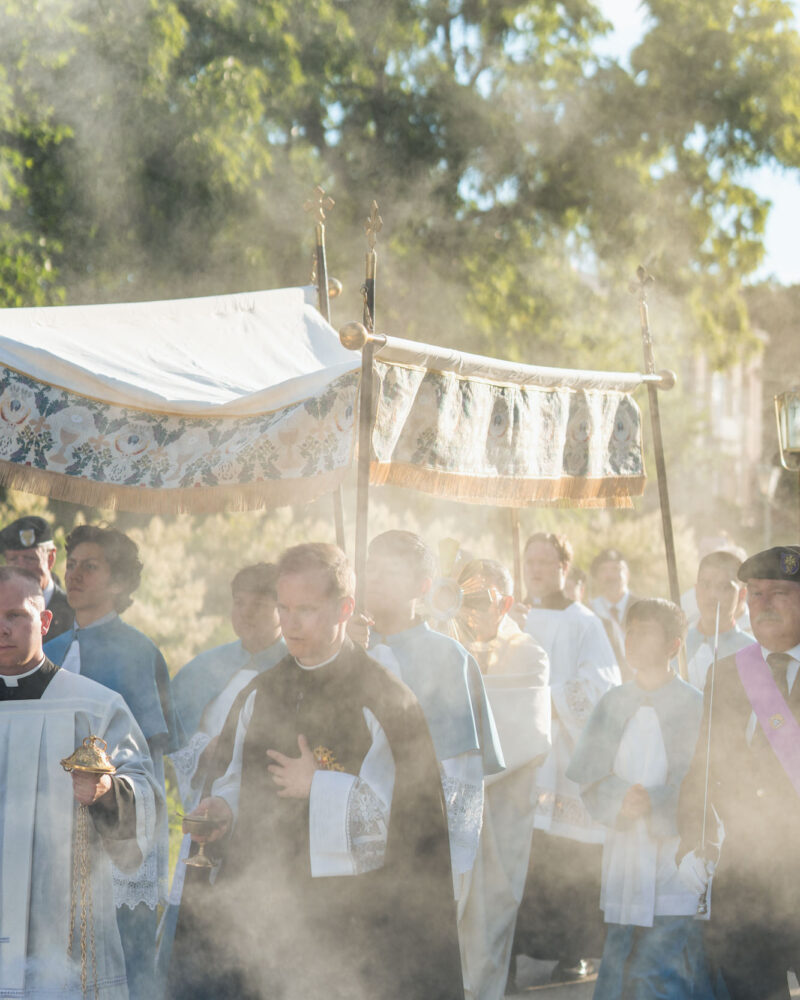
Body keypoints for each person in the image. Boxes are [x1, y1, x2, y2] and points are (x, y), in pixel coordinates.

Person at [169, 542, 464, 1000]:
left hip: (353, 918)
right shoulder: (260, 692)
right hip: (266, 907)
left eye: (306, 609)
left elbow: (408, 821)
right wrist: (224, 809)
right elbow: (232, 777)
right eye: (283, 608)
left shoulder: (386, 700)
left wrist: (320, 787)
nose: (290, 623)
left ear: (345, 608)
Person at [0, 565, 161, 999]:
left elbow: (144, 789)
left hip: (66, 924)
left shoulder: (93, 705)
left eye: (15, 615)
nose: (2, 629)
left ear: (46, 621)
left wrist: (108, 794)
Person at [43, 524, 181, 1000]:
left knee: (121, 950)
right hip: (55, 831)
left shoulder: (138, 651)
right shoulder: (50, 650)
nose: (74, 574)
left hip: (114, 833)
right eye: (72, 563)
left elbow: (150, 758)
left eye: (91, 566)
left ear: (119, 583)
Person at [567, 599, 714, 1000]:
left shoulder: (695, 705)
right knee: (623, 950)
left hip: (674, 852)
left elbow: (704, 780)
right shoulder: (613, 702)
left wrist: (659, 801)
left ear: (673, 645)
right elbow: (591, 773)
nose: (632, 639)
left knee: (664, 957)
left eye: (645, 631)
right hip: (626, 847)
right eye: (630, 630)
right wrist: (620, 798)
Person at [678, 545, 800, 1000]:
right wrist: (693, 840)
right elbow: (703, 768)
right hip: (746, 876)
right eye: (754, 594)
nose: (762, 605)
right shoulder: (728, 673)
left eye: (779, 593)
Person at [158, 562, 287, 977]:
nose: (245, 614)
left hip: (263, 822)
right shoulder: (205, 666)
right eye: (238, 603)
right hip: (206, 813)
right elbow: (174, 739)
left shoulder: (294, 670)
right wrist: (201, 751)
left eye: (260, 604)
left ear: (282, 609)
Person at [357, 529, 504, 894]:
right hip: (338, 835)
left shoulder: (449, 659)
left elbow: (459, 769)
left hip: (417, 838)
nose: (374, 580)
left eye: (388, 572)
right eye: (370, 569)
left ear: (422, 586)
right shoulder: (343, 644)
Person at [512, 531, 620, 983]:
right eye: (529, 561)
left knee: (567, 854)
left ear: (564, 567)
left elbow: (602, 684)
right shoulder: (511, 618)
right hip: (522, 752)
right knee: (524, 851)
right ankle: (517, 947)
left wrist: (549, 700)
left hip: (565, 753)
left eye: (545, 561)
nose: (536, 569)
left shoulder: (584, 622)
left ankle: (571, 950)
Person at [453, 558, 551, 1000]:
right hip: (450, 807)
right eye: (464, 597)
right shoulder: (446, 643)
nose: (470, 609)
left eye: (480, 599)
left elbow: (521, 735)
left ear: (505, 602)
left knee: (488, 924)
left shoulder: (529, 652)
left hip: (501, 811)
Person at [685, 550, 752, 690]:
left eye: (725, 587)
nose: (713, 595)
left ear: (742, 594)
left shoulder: (753, 653)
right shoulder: (677, 646)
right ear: (696, 590)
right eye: (705, 585)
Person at [0, 514, 73, 638]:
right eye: (13, 559)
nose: (21, 567)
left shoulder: (74, 615)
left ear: (50, 558)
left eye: (30, 559)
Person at [589, 548, 639, 680]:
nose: (610, 576)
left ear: (627, 574)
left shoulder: (643, 608)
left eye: (616, 569)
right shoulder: (590, 612)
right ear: (597, 577)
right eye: (604, 570)